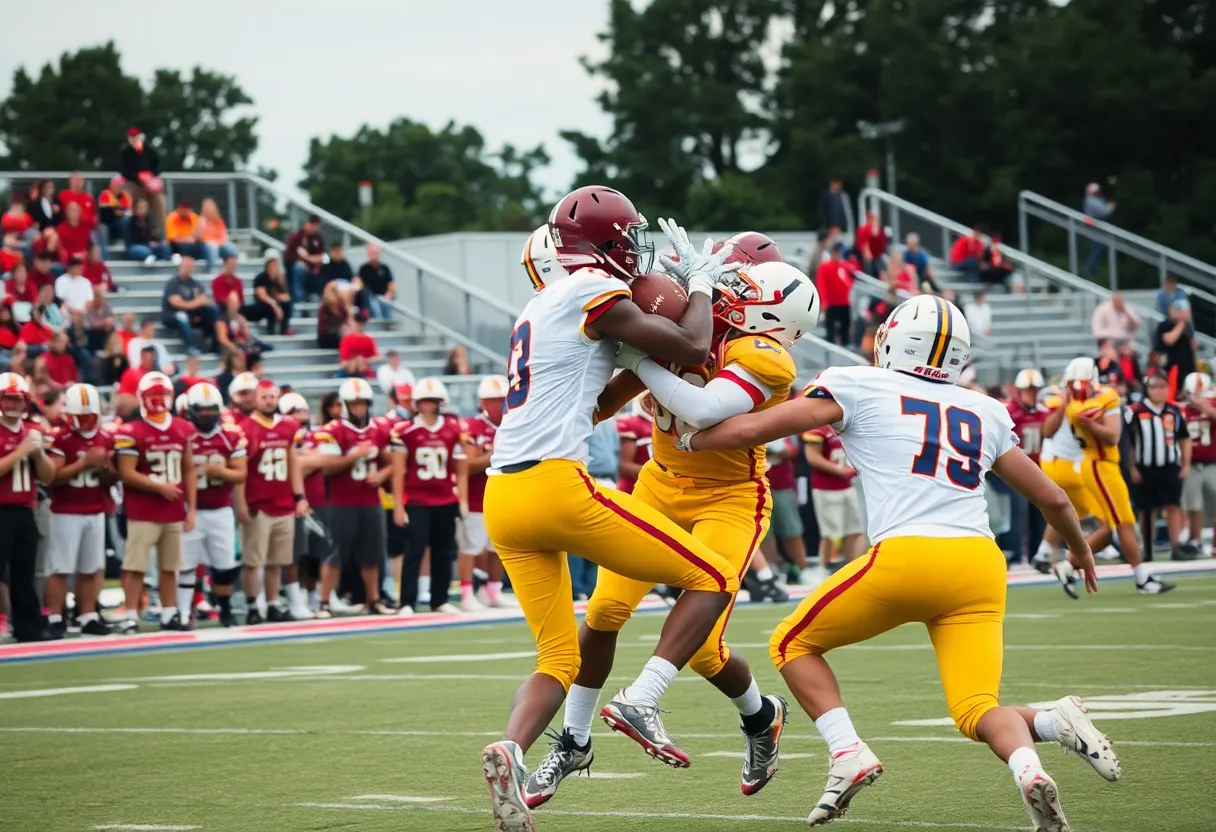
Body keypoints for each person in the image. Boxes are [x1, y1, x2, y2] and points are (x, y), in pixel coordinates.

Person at [680, 295, 1119, 830]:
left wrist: (691, 439)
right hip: (980, 566)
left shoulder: (861, 383)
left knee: (792, 644)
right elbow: (1054, 500)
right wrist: (1077, 549)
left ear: (890, 339)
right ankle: (1034, 755)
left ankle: (847, 752)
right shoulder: (984, 408)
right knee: (976, 708)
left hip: (909, 555)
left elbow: (752, 430)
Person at [477, 195, 743, 832]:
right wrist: (701, 286)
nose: (636, 250)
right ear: (607, 241)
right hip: (554, 488)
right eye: (631, 238)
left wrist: (639, 361)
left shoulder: (540, 306)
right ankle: (644, 699)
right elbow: (693, 342)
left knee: (558, 661)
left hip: (501, 497)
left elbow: (595, 401)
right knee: (712, 576)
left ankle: (511, 750)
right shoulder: (592, 286)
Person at [1054, 356, 1174, 595]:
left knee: (1107, 531)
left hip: (1100, 464)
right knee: (1125, 522)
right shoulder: (1081, 405)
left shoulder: (1096, 399)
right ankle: (1142, 578)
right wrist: (1091, 424)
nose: (1078, 389)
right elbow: (1112, 436)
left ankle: (1067, 565)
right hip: (1099, 466)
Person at [113, 372, 198, 633]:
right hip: (143, 510)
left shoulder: (183, 427)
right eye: (153, 394)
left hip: (172, 510)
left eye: (162, 394)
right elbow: (126, 472)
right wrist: (158, 486)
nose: (158, 400)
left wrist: (192, 508)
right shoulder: (131, 430)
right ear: (141, 397)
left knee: (170, 566)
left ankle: (169, 612)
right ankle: (130, 614)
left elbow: (189, 470)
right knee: (135, 566)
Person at [313, 378, 394, 618]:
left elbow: (392, 464)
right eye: (354, 403)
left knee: (372, 554)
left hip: (370, 500)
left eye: (363, 403)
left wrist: (381, 474)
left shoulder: (379, 429)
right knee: (334, 553)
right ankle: (325, 602)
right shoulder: (334, 430)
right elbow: (327, 467)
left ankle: (374, 599)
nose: (359, 407)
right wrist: (353, 456)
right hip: (341, 501)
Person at [391, 377, 466, 615]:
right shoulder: (405, 430)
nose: (428, 406)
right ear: (416, 404)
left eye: (433, 401)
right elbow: (398, 471)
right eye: (424, 401)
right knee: (415, 550)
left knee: (444, 552)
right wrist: (398, 507)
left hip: (445, 497)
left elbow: (460, 468)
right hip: (417, 500)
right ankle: (406, 601)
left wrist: (461, 499)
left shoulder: (454, 428)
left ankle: (439, 598)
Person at [45, 383, 114, 638]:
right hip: (66, 511)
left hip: (94, 509)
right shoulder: (60, 439)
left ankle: (87, 615)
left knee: (89, 568)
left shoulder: (105, 437)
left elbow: (112, 479)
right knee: (60, 568)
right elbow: (53, 477)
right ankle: (55, 616)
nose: (85, 421)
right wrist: (83, 463)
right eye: (80, 416)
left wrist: (105, 467)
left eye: (89, 416)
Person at [235, 381, 307, 624]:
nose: (269, 401)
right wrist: (241, 503)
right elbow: (240, 470)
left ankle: (274, 603)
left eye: (273, 397)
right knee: (253, 561)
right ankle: (253, 605)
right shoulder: (245, 428)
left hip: (283, 502)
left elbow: (293, 461)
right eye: (264, 397)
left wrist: (300, 496)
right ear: (255, 399)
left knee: (277, 561)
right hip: (258, 503)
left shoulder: (288, 426)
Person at [182, 382, 248, 627]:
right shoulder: (183, 434)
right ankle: (184, 611)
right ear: (191, 410)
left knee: (225, 566)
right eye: (202, 409)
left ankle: (226, 609)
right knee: (186, 565)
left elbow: (241, 474)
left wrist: (218, 471)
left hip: (220, 508)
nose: (207, 414)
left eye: (211, 409)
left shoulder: (230, 435)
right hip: (191, 510)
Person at [0, 373, 57, 641]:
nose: (13, 406)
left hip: (25, 509)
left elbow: (48, 477)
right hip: (1, 509)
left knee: (25, 573)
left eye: (18, 400)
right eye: (8, 400)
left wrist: (39, 454)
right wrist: (21, 452)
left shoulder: (33, 431)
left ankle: (28, 627)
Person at [458, 375, 511, 610]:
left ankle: (493, 590)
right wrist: (492, 456)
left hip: (504, 495)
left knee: (496, 548)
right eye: (493, 400)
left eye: (502, 399)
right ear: (483, 402)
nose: (499, 405)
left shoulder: (514, 423)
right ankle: (467, 592)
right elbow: (467, 466)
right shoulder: (473, 427)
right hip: (476, 496)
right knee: (471, 546)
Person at [1128, 373, 1191, 560]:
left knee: (1173, 506)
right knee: (1147, 509)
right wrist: (1132, 467)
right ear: (1147, 390)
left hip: (1169, 465)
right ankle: (1147, 549)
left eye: (1163, 386)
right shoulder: (1136, 412)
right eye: (1155, 387)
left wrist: (1186, 464)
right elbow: (1129, 443)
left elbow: (1184, 438)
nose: (1160, 391)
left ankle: (1176, 547)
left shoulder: (1174, 411)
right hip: (1144, 467)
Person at [1004, 370, 1050, 565]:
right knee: (1019, 513)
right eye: (1027, 390)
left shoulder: (1045, 412)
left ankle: (1036, 555)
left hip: (1039, 470)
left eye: (1034, 390)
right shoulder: (1009, 413)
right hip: (1018, 472)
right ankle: (1016, 554)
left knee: (1040, 515)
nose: (1031, 394)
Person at [803, 423, 862, 571]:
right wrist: (838, 470)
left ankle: (851, 568)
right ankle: (826, 568)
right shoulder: (818, 428)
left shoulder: (847, 424)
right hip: (826, 487)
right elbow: (812, 457)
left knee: (853, 530)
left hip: (848, 485)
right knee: (831, 533)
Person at [1181, 372, 1216, 556]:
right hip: (1192, 463)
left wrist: (1208, 410)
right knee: (1194, 505)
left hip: (1213, 462)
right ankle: (1194, 540)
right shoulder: (1181, 409)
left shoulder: (1213, 403)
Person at [161, 257, 218, 356]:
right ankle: (192, 347)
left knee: (212, 310)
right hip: (172, 315)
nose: (187, 268)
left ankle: (212, 342)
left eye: (190, 266)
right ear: (180, 267)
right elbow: (177, 303)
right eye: (185, 266)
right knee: (182, 316)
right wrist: (196, 303)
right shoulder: (173, 283)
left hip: (192, 315)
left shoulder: (196, 283)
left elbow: (206, 301)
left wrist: (196, 304)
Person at [119, 128, 165, 237]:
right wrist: (138, 177)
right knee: (128, 198)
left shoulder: (149, 150)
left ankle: (159, 230)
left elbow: (158, 166)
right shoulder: (126, 152)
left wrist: (150, 176)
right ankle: (129, 229)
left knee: (159, 200)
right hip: (134, 184)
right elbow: (124, 170)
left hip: (150, 184)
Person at [1154, 300, 1197, 400]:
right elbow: (1169, 340)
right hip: (1170, 369)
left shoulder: (1188, 326)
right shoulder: (1164, 325)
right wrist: (1181, 323)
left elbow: (1193, 345)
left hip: (1186, 367)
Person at [816, 242, 853, 346]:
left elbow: (849, 281)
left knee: (845, 325)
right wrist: (824, 301)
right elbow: (821, 284)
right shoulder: (824, 267)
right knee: (830, 327)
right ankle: (831, 345)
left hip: (844, 302)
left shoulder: (844, 266)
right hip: (831, 303)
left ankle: (845, 344)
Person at [246, 256, 294, 336]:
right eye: (271, 264)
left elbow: (286, 296)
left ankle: (284, 328)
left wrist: (282, 283)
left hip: (275, 302)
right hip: (262, 305)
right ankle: (270, 330)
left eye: (275, 264)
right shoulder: (261, 278)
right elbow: (262, 296)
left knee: (286, 303)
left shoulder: (279, 278)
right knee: (270, 306)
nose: (274, 267)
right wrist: (275, 306)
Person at [284, 214, 326, 302]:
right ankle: (298, 301)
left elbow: (322, 257)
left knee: (324, 276)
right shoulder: (296, 237)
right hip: (295, 271)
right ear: (307, 224)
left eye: (316, 227)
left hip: (313, 272)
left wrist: (306, 258)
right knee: (300, 268)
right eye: (313, 226)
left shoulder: (317, 238)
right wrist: (306, 260)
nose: (315, 229)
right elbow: (288, 257)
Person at [1082, 183, 1115, 277]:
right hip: (1095, 228)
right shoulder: (1091, 201)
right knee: (1097, 249)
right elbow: (1104, 212)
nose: (1097, 192)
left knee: (1098, 248)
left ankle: (1092, 271)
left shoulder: (1095, 200)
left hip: (1097, 227)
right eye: (1095, 191)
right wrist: (1110, 207)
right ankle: (1090, 271)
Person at [358, 242, 395, 320]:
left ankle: (388, 324)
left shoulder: (385, 268)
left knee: (386, 304)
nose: (373, 255)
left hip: (383, 296)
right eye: (371, 252)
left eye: (375, 252)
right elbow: (360, 284)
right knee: (373, 304)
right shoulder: (363, 269)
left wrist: (389, 294)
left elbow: (391, 284)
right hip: (370, 297)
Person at [337, 309, 378, 377]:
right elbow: (343, 361)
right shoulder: (346, 339)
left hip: (364, 369)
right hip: (349, 369)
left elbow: (376, 356)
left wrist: (365, 361)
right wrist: (354, 362)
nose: (360, 326)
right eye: (358, 323)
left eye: (362, 324)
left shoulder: (369, 340)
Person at [199, 198, 239, 263]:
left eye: (210, 207)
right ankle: (214, 270)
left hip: (219, 243)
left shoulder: (218, 221)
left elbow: (223, 236)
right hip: (206, 244)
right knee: (213, 247)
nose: (209, 209)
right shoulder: (201, 221)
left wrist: (218, 242)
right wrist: (215, 242)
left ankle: (232, 267)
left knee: (232, 247)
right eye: (207, 207)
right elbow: (202, 237)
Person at [97, 176, 132, 251]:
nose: (120, 187)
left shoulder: (125, 196)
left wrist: (118, 212)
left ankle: (128, 247)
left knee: (126, 221)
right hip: (108, 223)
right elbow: (104, 213)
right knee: (103, 228)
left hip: (119, 222)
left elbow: (128, 211)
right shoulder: (105, 194)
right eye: (118, 185)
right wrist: (116, 212)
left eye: (122, 185)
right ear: (112, 185)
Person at [55, 202, 93, 266]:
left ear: (80, 212)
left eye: (76, 210)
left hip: (84, 261)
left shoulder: (85, 228)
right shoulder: (61, 228)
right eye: (72, 210)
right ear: (67, 213)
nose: (74, 213)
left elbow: (88, 247)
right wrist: (73, 256)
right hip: (67, 262)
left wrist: (86, 254)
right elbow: (61, 251)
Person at [853, 210, 888, 276]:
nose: (874, 221)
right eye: (872, 219)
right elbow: (863, 247)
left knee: (883, 262)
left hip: (876, 255)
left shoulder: (880, 231)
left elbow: (882, 247)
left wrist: (876, 235)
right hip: (864, 255)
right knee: (868, 262)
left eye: (875, 219)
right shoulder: (863, 229)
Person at [316, 281, 349, 350]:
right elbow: (322, 329)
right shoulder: (324, 308)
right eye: (334, 290)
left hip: (339, 335)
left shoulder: (342, 307)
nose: (336, 292)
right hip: (326, 337)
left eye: (337, 290)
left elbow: (346, 321)